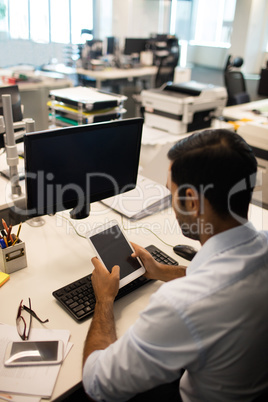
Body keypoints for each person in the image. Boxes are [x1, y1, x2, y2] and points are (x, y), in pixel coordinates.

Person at [82, 128, 268, 402]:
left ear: (192, 201)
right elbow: (222, 275)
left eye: (172, 194)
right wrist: (161, 270)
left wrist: (104, 301)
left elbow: (98, 384)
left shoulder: (181, 304)